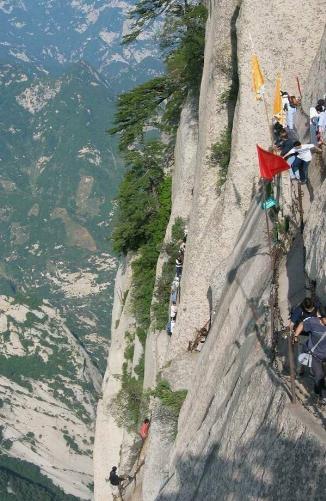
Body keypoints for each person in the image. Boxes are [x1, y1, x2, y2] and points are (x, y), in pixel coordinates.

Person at [294, 306, 326, 401]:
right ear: (320, 316)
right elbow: (303, 324)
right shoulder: (313, 322)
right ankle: (320, 394)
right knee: (319, 375)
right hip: (314, 355)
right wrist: (295, 335)